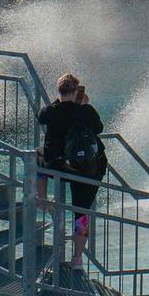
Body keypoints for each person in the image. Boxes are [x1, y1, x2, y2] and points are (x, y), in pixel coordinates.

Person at [37, 73, 106, 267]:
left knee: (36, 155)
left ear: (59, 91)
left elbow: (41, 116)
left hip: (57, 166)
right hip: (86, 169)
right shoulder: (85, 111)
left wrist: (60, 101)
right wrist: (83, 104)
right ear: (76, 91)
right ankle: (77, 259)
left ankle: (41, 199)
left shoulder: (51, 111)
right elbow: (98, 128)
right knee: (81, 214)